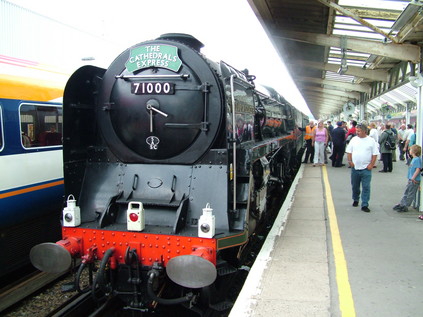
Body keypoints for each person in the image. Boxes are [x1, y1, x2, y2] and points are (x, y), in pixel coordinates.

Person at [346, 123, 379, 212]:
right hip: (355, 167)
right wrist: (350, 162)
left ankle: (365, 204)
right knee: (355, 186)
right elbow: (349, 152)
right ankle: (356, 199)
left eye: (359, 131)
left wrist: (371, 164)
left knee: (366, 186)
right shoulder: (354, 140)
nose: (357, 132)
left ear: (364, 131)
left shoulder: (371, 141)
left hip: (366, 168)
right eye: (357, 131)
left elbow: (374, 154)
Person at [393, 144, 422, 213]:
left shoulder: (417, 160)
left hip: (414, 179)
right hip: (411, 179)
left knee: (410, 193)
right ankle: (402, 203)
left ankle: (406, 205)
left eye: (410, 150)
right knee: (407, 191)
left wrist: (413, 178)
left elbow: (418, 169)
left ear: (414, 151)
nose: (409, 151)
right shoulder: (413, 159)